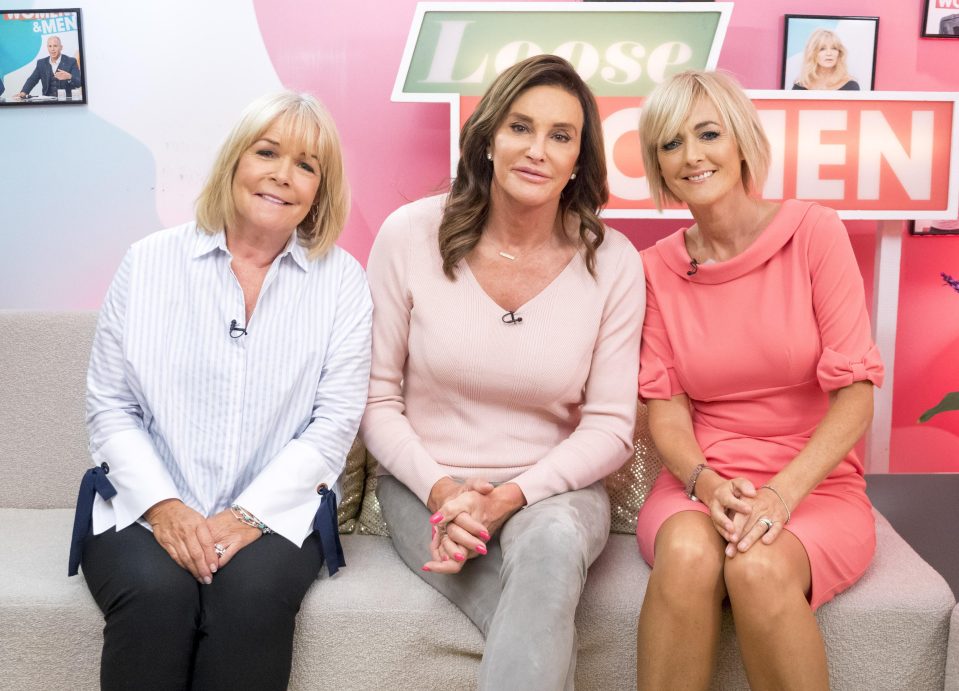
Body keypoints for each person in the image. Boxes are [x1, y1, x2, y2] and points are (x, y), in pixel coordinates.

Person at [361, 54, 643, 690]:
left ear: (580, 159)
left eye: (561, 135)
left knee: (550, 551)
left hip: (556, 490)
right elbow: (377, 400)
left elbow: (610, 427)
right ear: (488, 137)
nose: (537, 149)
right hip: (427, 487)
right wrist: (445, 493)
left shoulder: (614, 262)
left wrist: (510, 497)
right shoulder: (409, 236)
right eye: (520, 127)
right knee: (539, 618)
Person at [76, 91, 372, 691]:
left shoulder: (342, 281)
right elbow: (112, 405)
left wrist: (247, 516)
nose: (282, 176)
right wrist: (166, 508)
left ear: (320, 188)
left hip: (277, 512)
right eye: (267, 152)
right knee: (158, 596)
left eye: (306, 165)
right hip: (144, 502)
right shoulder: (149, 262)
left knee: (250, 599)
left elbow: (334, 422)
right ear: (236, 161)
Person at [635, 70, 882, 690]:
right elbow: (666, 411)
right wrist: (706, 483)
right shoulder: (654, 270)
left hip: (814, 486)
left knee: (757, 566)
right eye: (670, 143)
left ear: (741, 140)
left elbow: (856, 395)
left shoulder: (814, 233)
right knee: (690, 554)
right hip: (699, 483)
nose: (692, 156)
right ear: (658, 166)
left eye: (708, 133)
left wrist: (782, 496)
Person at [791, 28, 860, 91]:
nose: (829, 53)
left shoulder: (850, 85)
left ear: (839, 53)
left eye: (834, 48)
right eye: (822, 49)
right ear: (812, 53)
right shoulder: (801, 86)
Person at [16, 35, 81, 98]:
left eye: (55, 46)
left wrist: (69, 77)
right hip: (47, 102)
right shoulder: (41, 63)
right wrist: (23, 92)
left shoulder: (71, 61)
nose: (52, 49)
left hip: (66, 101)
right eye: (50, 46)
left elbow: (79, 82)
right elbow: (32, 80)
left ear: (61, 47)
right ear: (47, 47)